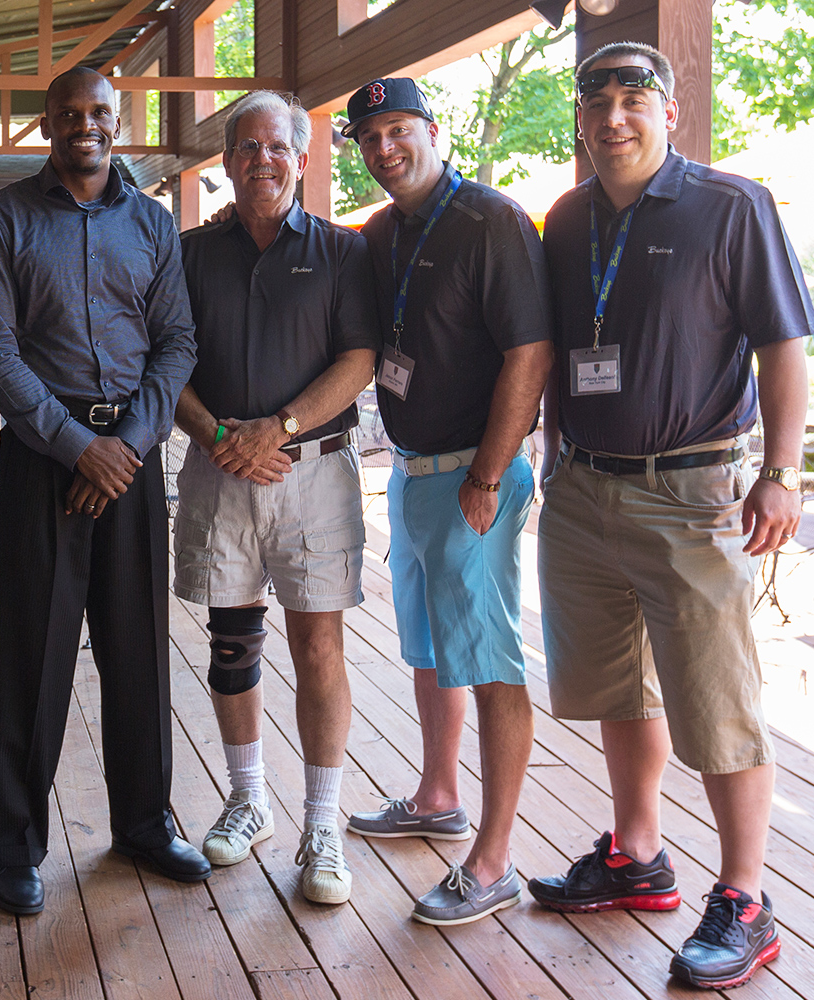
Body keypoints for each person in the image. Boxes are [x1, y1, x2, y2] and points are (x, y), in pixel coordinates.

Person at [530, 42, 811, 990]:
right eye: (597, 98)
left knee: (718, 699)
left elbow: (783, 348)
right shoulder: (566, 219)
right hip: (582, 490)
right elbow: (562, 351)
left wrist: (782, 472)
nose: (613, 115)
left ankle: (746, 898)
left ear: (669, 110)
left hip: (693, 494)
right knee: (615, 684)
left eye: (633, 96)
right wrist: (549, 455)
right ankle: (636, 853)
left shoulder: (731, 206)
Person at [0, 66, 205, 916]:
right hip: (43, 457)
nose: (85, 125)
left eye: (100, 112)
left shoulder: (152, 223)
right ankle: (17, 847)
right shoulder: (3, 217)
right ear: (47, 124)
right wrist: (76, 448)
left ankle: (143, 823)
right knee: (34, 655)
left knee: (138, 647)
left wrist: (128, 446)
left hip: (132, 458)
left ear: (117, 121)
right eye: (69, 114)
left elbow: (176, 342)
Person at [344, 78, 552, 925]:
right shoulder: (380, 232)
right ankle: (438, 794)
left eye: (398, 129)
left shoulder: (491, 221)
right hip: (412, 469)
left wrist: (489, 476)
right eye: (368, 136)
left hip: (474, 476)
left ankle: (495, 860)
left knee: (489, 659)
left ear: (433, 128)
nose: (384, 147)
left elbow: (529, 356)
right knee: (430, 647)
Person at [175, 92, 378, 905]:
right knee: (231, 642)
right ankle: (247, 798)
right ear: (225, 161)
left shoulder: (342, 252)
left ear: (301, 158)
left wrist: (280, 428)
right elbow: (169, 360)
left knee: (317, 646)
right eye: (246, 147)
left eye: (278, 147)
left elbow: (360, 357)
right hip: (218, 467)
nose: (263, 160)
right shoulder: (188, 252)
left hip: (313, 473)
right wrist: (219, 434)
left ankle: (321, 822)